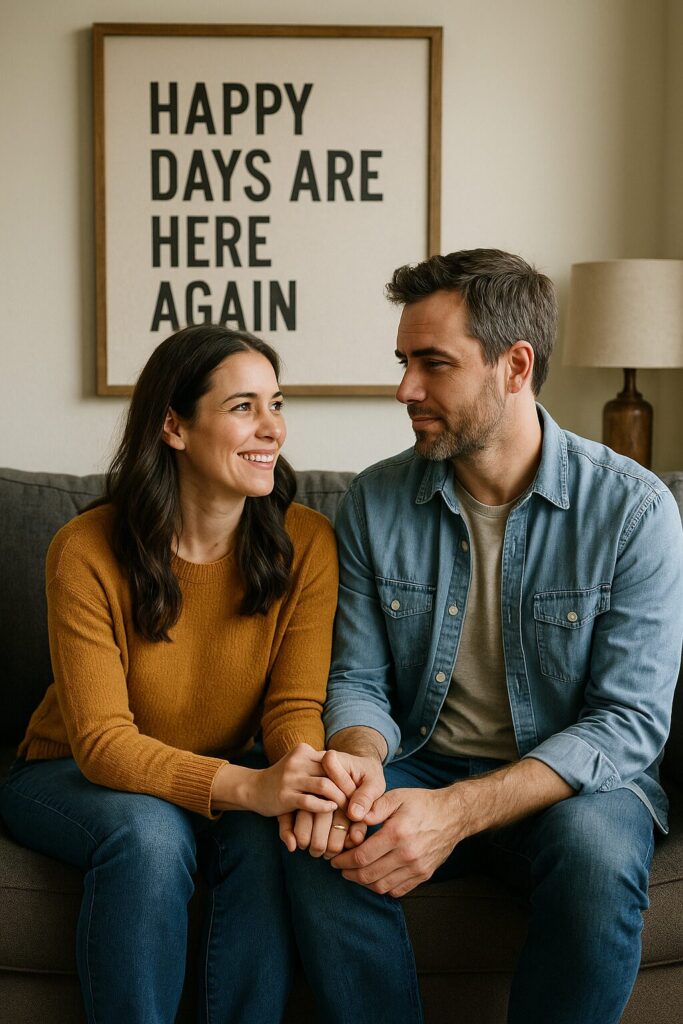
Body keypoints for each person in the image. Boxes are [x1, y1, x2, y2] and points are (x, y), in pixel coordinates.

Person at [303, 249, 683, 1024]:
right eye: (403, 361)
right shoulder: (375, 501)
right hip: (420, 760)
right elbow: (357, 681)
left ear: (514, 365)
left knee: (597, 855)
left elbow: (629, 723)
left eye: (432, 364)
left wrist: (458, 813)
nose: (404, 388)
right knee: (317, 841)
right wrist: (359, 763)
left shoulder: (633, 511)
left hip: (568, 787)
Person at [0, 325, 361, 1024]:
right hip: (66, 770)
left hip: (224, 765)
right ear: (173, 424)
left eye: (276, 404)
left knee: (271, 832)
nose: (272, 428)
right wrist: (249, 785)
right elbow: (102, 741)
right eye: (243, 408)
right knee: (151, 835)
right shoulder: (85, 549)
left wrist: (304, 777)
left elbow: (291, 707)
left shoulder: (308, 541)